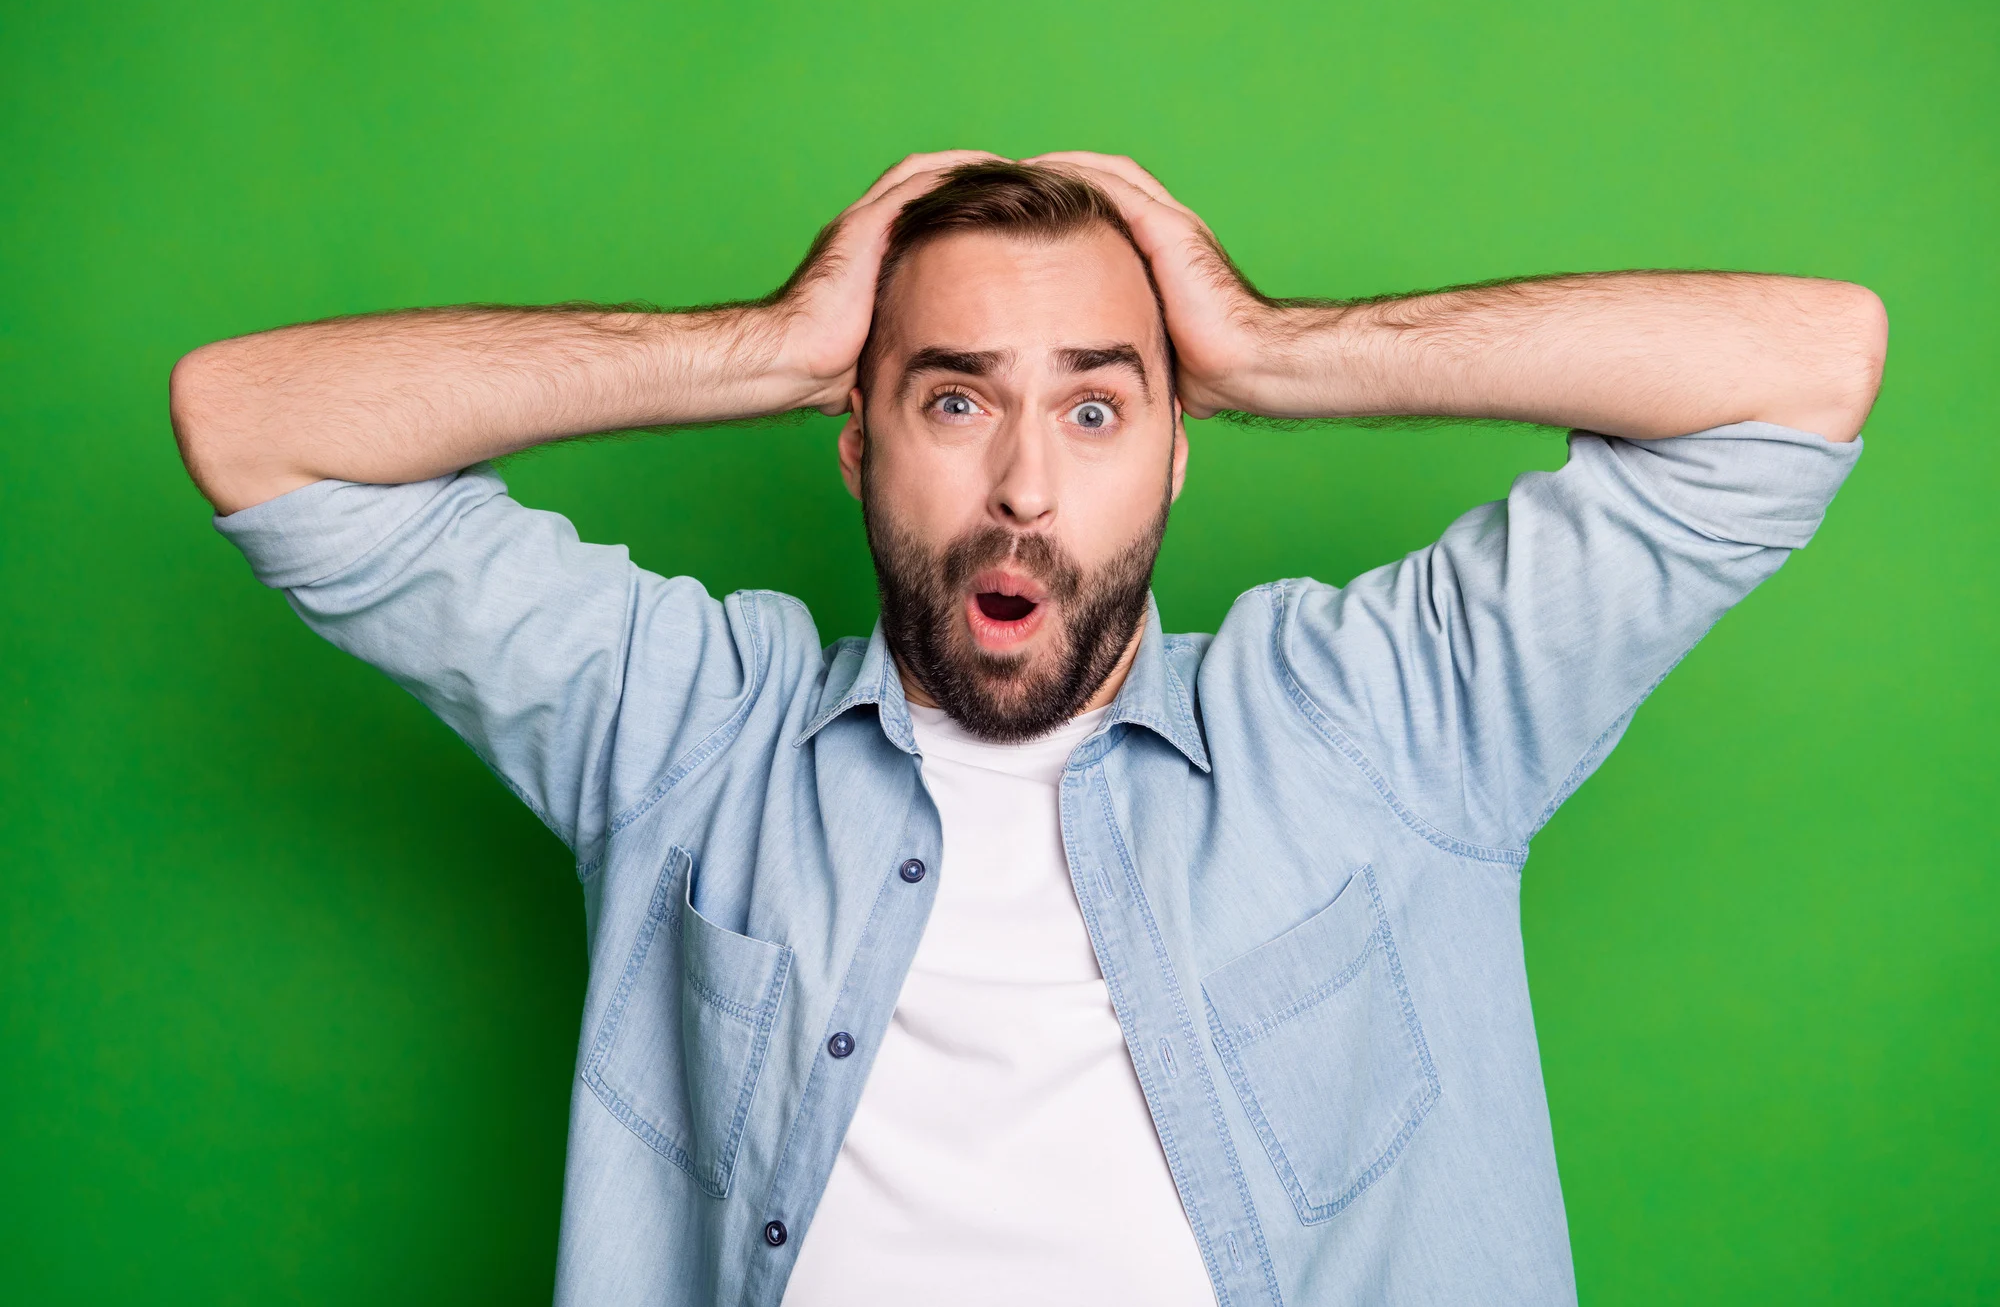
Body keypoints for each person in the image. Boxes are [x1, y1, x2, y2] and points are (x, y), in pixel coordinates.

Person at [168, 150, 1885, 1307]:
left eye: (1095, 401)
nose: (1024, 484)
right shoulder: (684, 730)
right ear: (856, 442)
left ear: (1176, 444)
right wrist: (759, 343)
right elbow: (254, 424)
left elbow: (1807, 368)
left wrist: (1276, 347)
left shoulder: (1385, 725)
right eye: (954, 397)